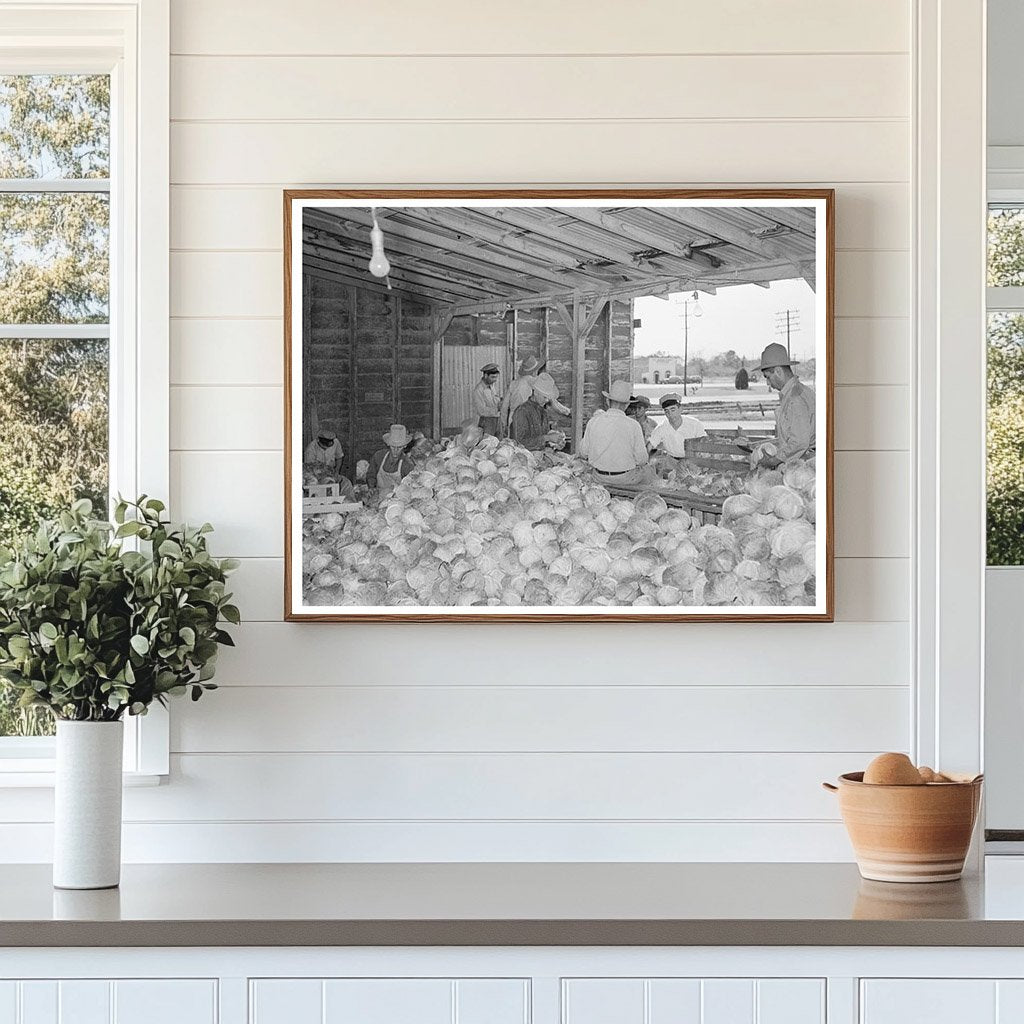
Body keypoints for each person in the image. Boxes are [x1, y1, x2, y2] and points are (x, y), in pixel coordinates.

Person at [751, 343, 815, 468]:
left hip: (806, 464)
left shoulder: (795, 398)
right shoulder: (795, 392)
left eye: (768, 377)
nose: (768, 383)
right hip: (803, 460)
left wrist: (774, 460)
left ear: (778, 371)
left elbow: (799, 442)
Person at [578, 380, 651, 485]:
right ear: (626, 405)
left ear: (608, 401)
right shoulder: (633, 425)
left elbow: (583, 453)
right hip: (625, 478)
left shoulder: (593, 421)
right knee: (648, 471)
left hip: (599, 477)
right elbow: (642, 460)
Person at [499, 355, 570, 432]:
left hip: (513, 419)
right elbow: (554, 403)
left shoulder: (513, 384)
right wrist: (567, 412)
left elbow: (504, 407)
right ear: (534, 371)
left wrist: (504, 425)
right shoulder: (537, 384)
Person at [510, 375, 566, 452]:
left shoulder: (544, 412)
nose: (546, 401)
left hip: (539, 456)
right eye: (544, 397)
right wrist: (547, 438)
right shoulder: (522, 411)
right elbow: (520, 442)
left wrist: (555, 443)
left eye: (548, 398)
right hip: (523, 458)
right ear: (536, 392)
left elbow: (543, 439)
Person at [649, 392, 706, 466]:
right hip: (671, 462)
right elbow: (650, 445)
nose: (670, 414)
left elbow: (704, 445)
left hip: (692, 462)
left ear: (680, 409)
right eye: (667, 411)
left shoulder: (695, 424)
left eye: (673, 410)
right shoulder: (662, 428)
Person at [303, 428, 355, 498]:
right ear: (318, 440)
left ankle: (349, 503)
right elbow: (309, 470)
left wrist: (336, 471)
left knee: (347, 482)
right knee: (323, 488)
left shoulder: (336, 442)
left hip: (331, 473)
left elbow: (339, 457)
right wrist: (323, 478)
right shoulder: (310, 449)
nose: (326, 448)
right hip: (317, 476)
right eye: (324, 446)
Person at [368, 424, 416, 498]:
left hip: (396, 499)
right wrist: (371, 488)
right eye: (393, 447)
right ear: (388, 444)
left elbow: (408, 489)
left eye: (399, 447)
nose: (395, 451)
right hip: (377, 497)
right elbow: (371, 475)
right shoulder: (379, 456)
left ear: (404, 446)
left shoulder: (408, 465)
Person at [472, 363, 502, 436]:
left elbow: (495, 400)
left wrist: (501, 401)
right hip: (486, 422)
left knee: (500, 444)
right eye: (493, 377)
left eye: (496, 377)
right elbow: (481, 410)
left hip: (497, 420)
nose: (495, 380)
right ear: (485, 376)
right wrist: (497, 409)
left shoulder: (492, 386)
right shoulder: (478, 390)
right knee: (488, 444)